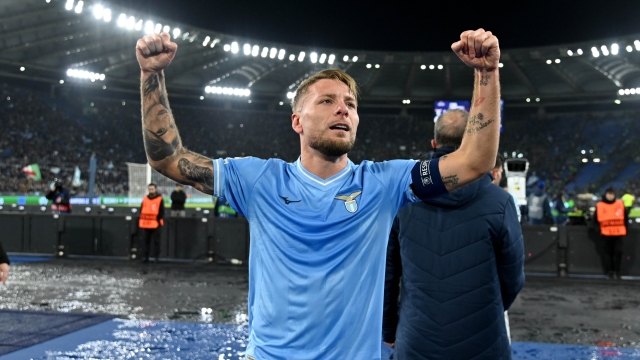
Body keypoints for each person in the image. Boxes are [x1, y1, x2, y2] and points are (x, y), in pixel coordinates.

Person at [135, 28, 502, 358]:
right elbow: (169, 159)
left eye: (351, 104)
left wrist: (486, 73)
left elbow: (474, 161)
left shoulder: (385, 183)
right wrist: (151, 74)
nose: (343, 107)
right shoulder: (258, 180)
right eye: (326, 101)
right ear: (297, 120)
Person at [383, 111, 524, 360]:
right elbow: (513, 276)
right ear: (473, 141)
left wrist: (388, 329)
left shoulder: (402, 197)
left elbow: (388, 274)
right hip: (484, 340)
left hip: (416, 338)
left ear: (434, 144)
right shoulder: (501, 202)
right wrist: (488, 310)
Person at [595, 188, 628, 279]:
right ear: (605, 195)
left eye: (612, 194)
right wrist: (599, 231)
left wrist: (626, 229)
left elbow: (625, 218)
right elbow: (595, 221)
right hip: (606, 234)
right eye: (609, 194)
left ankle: (616, 272)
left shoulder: (620, 204)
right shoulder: (600, 205)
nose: (610, 196)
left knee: (618, 253)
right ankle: (609, 272)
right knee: (607, 254)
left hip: (618, 233)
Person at [139, 183, 165, 263]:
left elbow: (162, 211)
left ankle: (156, 257)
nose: (151, 190)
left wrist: (158, 220)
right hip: (146, 223)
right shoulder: (145, 198)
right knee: (146, 241)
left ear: (155, 189)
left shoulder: (160, 199)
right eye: (149, 189)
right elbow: (141, 209)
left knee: (156, 241)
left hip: (155, 223)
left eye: (152, 189)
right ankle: (145, 257)